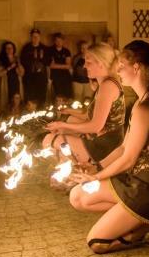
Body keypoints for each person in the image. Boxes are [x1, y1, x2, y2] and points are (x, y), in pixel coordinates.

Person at [68, 40, 149, 253]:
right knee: (77, 195)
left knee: (96, 243)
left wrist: (96, 178)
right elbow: (123, 149)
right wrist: (97, 168)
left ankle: (147, 222)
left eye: (121, 65)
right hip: (135, 181)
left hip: (148, 190)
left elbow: (128, 159)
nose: (118, 70)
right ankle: (140, 217)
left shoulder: (147, 107)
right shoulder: (146, 100)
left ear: (136, 67)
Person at [43, 43, 125, 174]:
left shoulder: (107, 86)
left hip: (105, 145)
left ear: (101, 63)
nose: (84, 66)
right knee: (67, 123)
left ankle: (79, 170)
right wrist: (66, 117)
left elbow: (95, 126)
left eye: (89, 62)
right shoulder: (104, 84)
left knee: (49, 140)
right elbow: (88, 116)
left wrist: (62, 124)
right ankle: (74, 170)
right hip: (102, 138)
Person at [20, 29, 49, 107]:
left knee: (41, 97)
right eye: (33, 36)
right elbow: (22, 61)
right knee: (30, 97)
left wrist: (42, 60)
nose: (35, 38)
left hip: (41, 77)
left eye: (37, 36)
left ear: (39, 37)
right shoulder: (26, 48)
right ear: (31, 37)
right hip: (29, 77)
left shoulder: (44, 48)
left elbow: (48, 62)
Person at [0, 41, 24, 110]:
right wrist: (10, 67)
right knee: (7, 99)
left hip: (16, 81)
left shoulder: (17, 58)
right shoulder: (1, 59)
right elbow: (0, 73)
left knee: (17, 97)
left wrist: (19, 67)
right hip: (7, 81)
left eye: (11, 48)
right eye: (7, 48)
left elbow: (22, 73)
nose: (9, 50)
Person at [48, 33, 73, 100]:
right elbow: (51, 65)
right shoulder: (50, 50)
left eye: (60, 40)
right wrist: (64, 66)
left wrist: (56, 65)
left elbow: (68, 66)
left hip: (66, 77)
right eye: (57, 40)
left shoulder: (66, 51)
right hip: (55, 77)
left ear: (63, 41)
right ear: (54, 41)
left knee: (67, 96)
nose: (59, 42)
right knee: (57, 96)